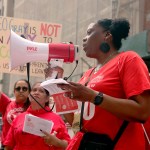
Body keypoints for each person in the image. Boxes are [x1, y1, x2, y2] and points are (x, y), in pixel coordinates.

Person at [55, 18, 150, 150]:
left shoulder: (128, 59)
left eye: (89, 32)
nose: (84, 38)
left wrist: (94, 96)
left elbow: (142, 112)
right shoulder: (88, 74)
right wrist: (56, 85)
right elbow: (76, 123)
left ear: (107, 35)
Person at [4, 82, 71, 150]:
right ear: (29, 96)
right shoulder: (19, 118)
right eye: (34, 90)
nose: (36, 92)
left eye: (41, 91)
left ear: (47, 98)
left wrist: (57, 142)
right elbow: (9, 145)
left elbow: (69, 145)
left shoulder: (57, 119)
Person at [0, 79, 31, 147]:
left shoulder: (33, 107)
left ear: (29, 92)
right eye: (18, 88)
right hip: (6, 146)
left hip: (23, 146)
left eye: (24, 89)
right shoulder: (7, 103)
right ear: (14, 91)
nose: (21, 91)